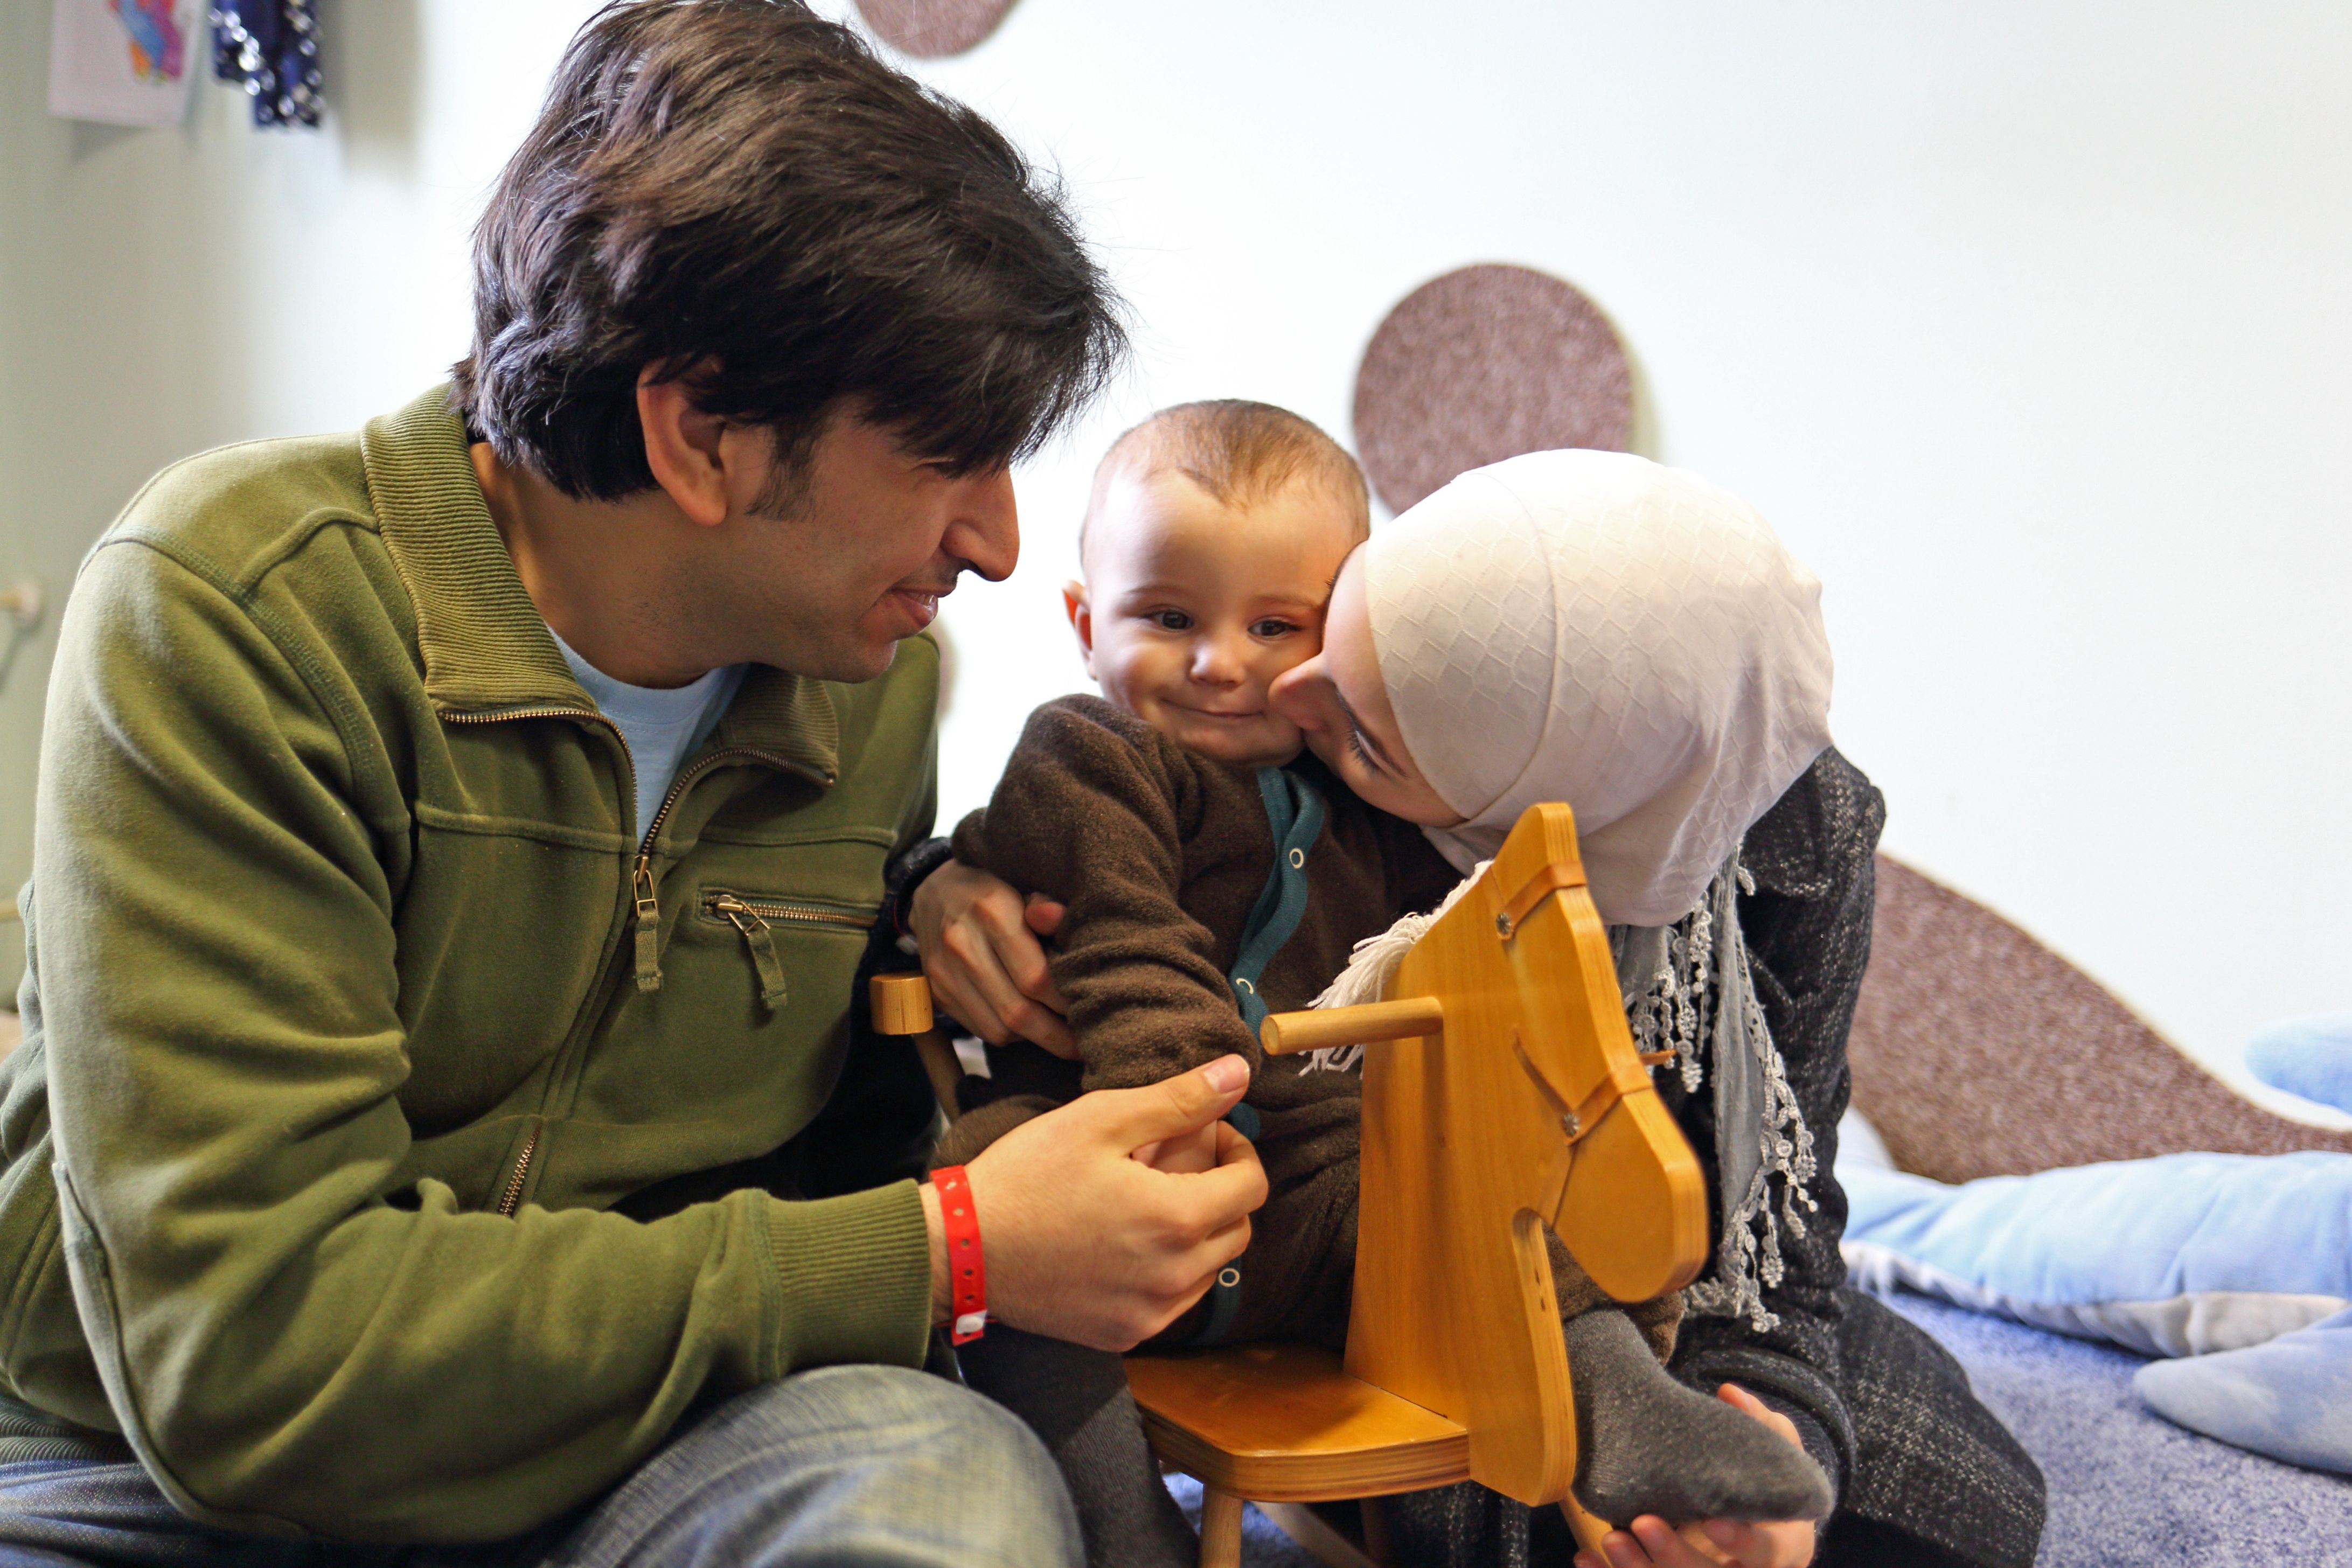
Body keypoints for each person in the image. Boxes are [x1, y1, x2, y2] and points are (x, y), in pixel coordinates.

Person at [0, 4, 1272, 1563]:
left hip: (662, 1438)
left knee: (948, 1503)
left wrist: (922, 909)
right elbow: (251, 1358)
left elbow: (778, 1103)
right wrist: (943, 1249)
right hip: (145, 1469)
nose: (998, 545)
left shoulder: (872, 693)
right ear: (698, 432)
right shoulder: (240, 612)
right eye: (948, 458)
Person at [915, 450, 2047, 1568]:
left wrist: (1778, 1465)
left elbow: (1777, 1245)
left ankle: (1627, 1409)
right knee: (1016, 1210)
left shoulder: (1774, 838)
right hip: (1176, 1154)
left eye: (1293, 646)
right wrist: (933, 883)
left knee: (1947, 1487)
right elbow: (1103, 907)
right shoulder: (1169, 735)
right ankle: (1122, 1530)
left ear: (1537, 791)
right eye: (1171, 619)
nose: (1263, 684)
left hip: (1418, 1223)